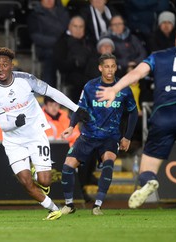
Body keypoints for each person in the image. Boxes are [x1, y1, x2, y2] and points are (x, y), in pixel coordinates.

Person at [96, 22, 176, 209]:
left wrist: (114, 88)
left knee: (146, 171)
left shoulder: (159, 56)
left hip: (162, 115)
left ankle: (149, 182)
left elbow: (137, 74)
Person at [0, 47, 90, 220]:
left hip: (35, 135)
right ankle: (53, 209)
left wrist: (77, 109)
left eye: (5, 65)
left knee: (45, 181)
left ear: (11, 65)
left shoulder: (26, 80)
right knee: (26, 182)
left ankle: (38, 170)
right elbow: (3, 124)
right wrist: (15, 122)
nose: (1, 68)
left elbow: (52, 92)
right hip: (13, 141)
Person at [60, 53, 138, 215]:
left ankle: (97, 206)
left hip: (110, 137)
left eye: (113, 66)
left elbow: (133, 112)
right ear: (100, 68)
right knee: (67, 167)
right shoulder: (90, 87)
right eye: (107, 66)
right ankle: (69, 205)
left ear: (116, 67)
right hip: (88, 136)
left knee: (108, 163)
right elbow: (79, 109)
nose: (110, 70)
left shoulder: (123, 89)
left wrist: (127, 136)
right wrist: (71, 126)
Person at [27, 0, 70, 87]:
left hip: (66, 46)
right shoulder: (34, 15)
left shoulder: (64, 12)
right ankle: (48, 94)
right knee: (51, 57)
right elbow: (36, 37)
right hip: (46, 48)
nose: (49, 1)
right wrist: (57, 43)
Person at [53, 15, 95, 103]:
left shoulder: (89, 41)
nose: (78, 29)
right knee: (81, 82)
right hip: (71, 73)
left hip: (90, 71)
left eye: (81, 27)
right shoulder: (62, 42)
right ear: (69, 27)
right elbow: (60, 64)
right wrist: (75, 63)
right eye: (75, 26)